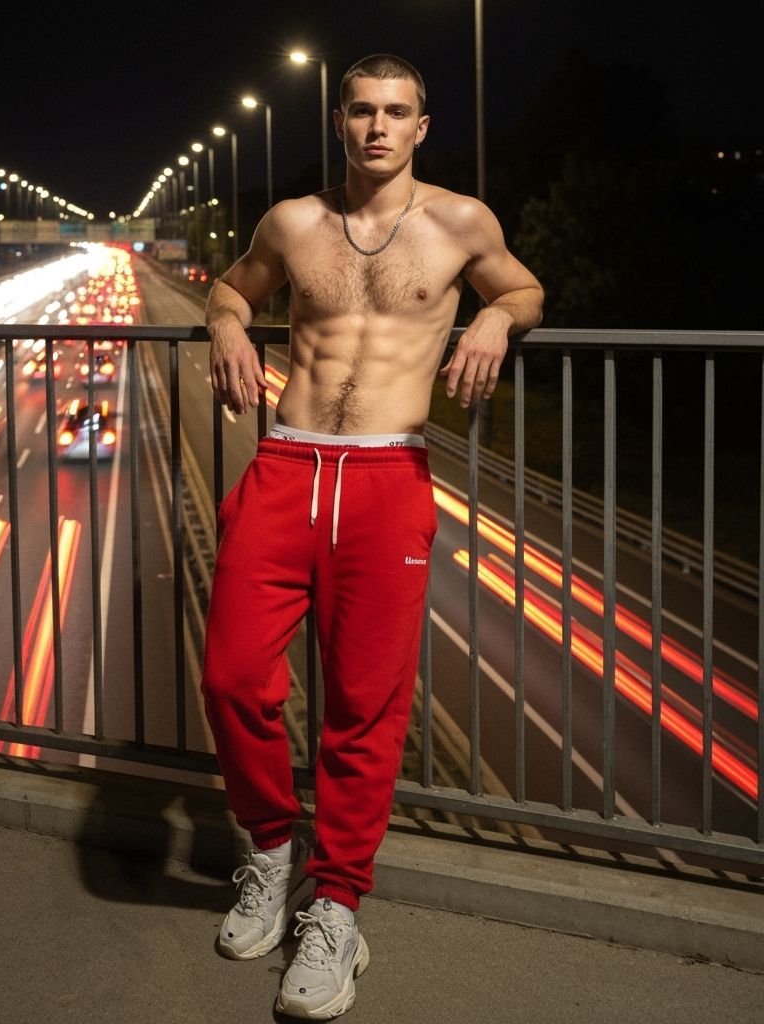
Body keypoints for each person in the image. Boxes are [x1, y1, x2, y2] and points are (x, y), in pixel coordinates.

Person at [201, 53, 543, 1020]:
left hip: (389, 476)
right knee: (231, 675)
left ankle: (338, 905)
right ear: (340, 121)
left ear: (421, 126)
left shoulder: (460, 222)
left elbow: (525, 289)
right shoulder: (293, 222)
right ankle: (272, 851)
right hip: (285, 467)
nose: (378, 127)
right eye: (362, 110)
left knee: (364, 706)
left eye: (397, 112)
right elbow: (235, 288)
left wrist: (496, 322)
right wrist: (227, 326)